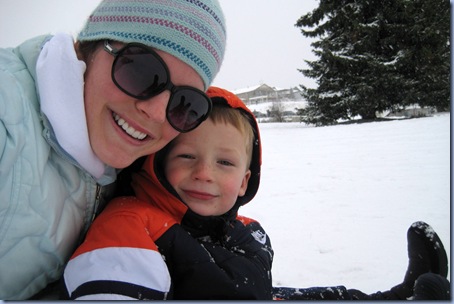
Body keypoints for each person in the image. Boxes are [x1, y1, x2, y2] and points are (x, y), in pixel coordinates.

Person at [62, 87, 450, 300]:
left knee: (329, 297)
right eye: (186, 155)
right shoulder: (132, 220)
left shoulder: (245, 227)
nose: (204, 173)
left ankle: (395, 296)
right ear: (157, 162)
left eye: (225, 163)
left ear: (245, 181)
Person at [0, 0, 226, 300]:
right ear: (90, 47)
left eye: (186, 103)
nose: (157, 113)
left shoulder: (139, 172)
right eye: (141, 71)